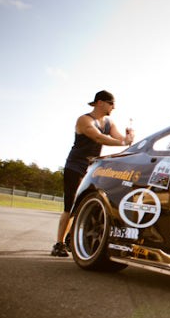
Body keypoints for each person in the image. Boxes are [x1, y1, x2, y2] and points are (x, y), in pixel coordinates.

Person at [52, 90, 134, 257]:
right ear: (100, 103)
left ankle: (70, 239)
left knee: (84, 205)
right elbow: (98, 138)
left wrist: (129, 138)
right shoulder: (84, 120)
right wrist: (123, 142)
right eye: (111, 103)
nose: (114, 107)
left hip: (92, 169)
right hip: (75, 166)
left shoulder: (109, 123)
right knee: (71, 206)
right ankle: (58, 244)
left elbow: (119, 139)